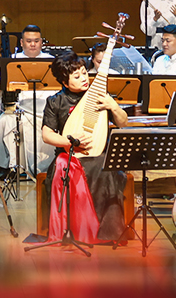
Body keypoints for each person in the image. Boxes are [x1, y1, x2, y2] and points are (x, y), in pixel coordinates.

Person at [38, 53, 131, 243]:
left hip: (99, 155)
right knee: (79, 168)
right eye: (77, 76)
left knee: (106, 169)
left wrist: (113, 106)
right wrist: (68, 142)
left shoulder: (100, 97)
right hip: (68, 157)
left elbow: (123, 123)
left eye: (84, 73)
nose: (84, 78)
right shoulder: (56, 101)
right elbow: (47, 134)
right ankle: (79, 231)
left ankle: (107, 233)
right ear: (64, 82)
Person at [0, 25, 57, 174]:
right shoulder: (12, 60)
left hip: (45, 109)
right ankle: (14, 168)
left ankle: (47, 169)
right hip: (21, 108)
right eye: (29, 41)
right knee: (4, 120)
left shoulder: (51, 61)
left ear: (41, 42)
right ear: (21, 43)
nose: (33, 44)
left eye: (36, 41)